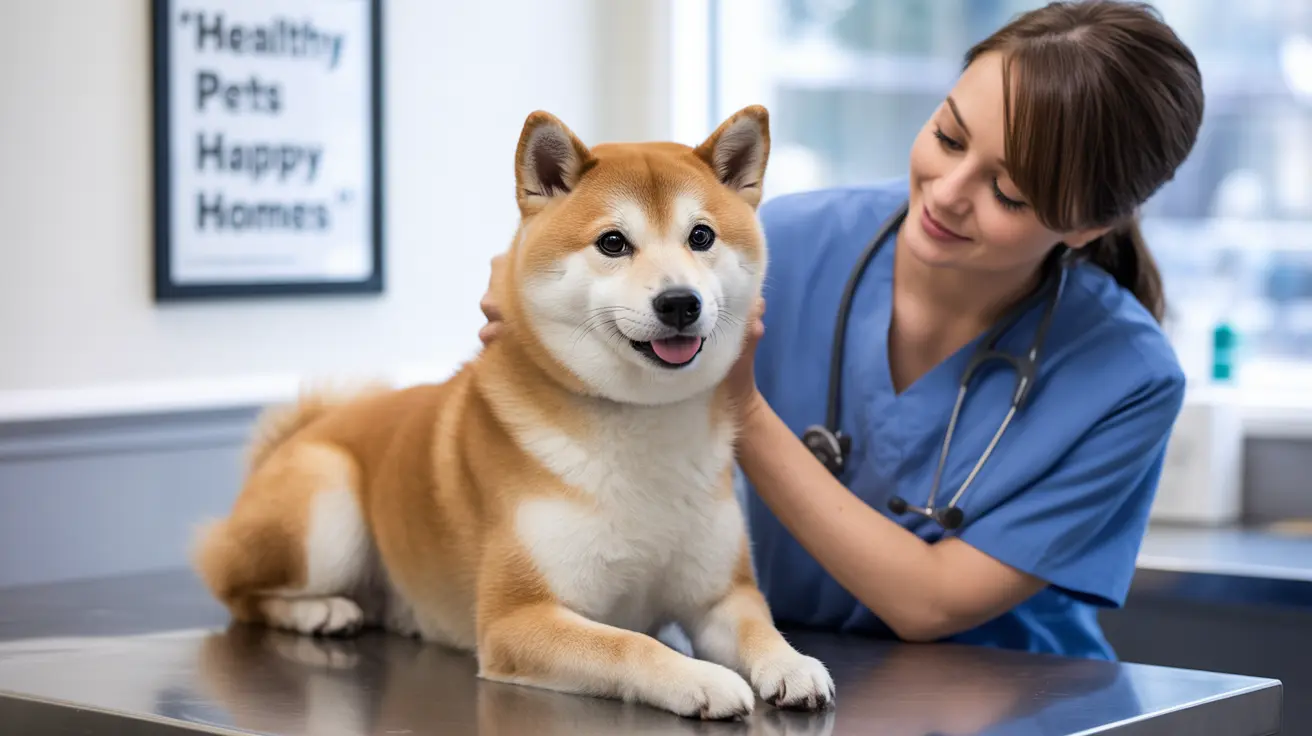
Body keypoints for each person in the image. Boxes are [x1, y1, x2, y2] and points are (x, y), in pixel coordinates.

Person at [478, 0, 1204, 661]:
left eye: (1008, 192)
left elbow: (932, 602)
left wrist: (741, 406)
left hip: (1008, 695)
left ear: (1087, 227)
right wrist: (535, 307)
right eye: (948, 138)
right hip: (767, 670)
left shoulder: (1127, 380)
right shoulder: (773, 247)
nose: (948, 195)